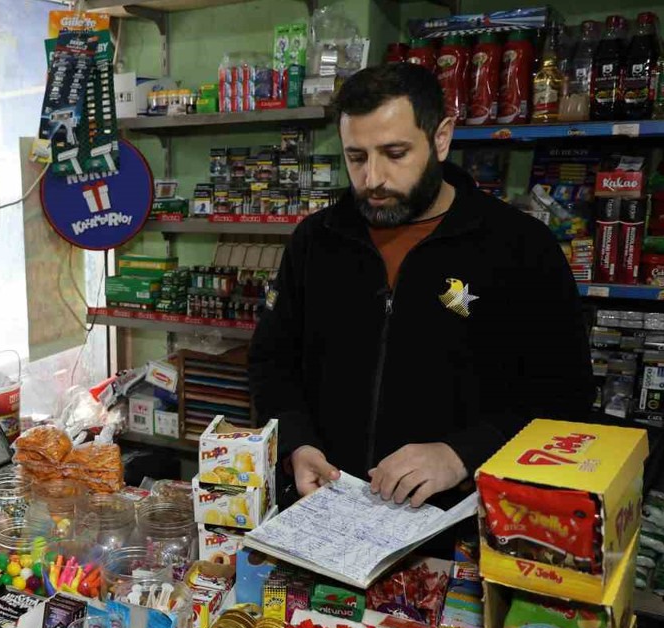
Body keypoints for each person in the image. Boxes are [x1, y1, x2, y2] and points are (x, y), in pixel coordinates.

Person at [250, 63, 593, 512]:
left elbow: (566, 398)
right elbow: (271, 361)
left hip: (458, 525)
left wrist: (462, 454)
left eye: (395, 154)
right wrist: (297, 443)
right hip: (326, 512)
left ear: (441, 139)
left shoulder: (519, 247)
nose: (372, 178)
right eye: (356, 157)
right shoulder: (316, 241)